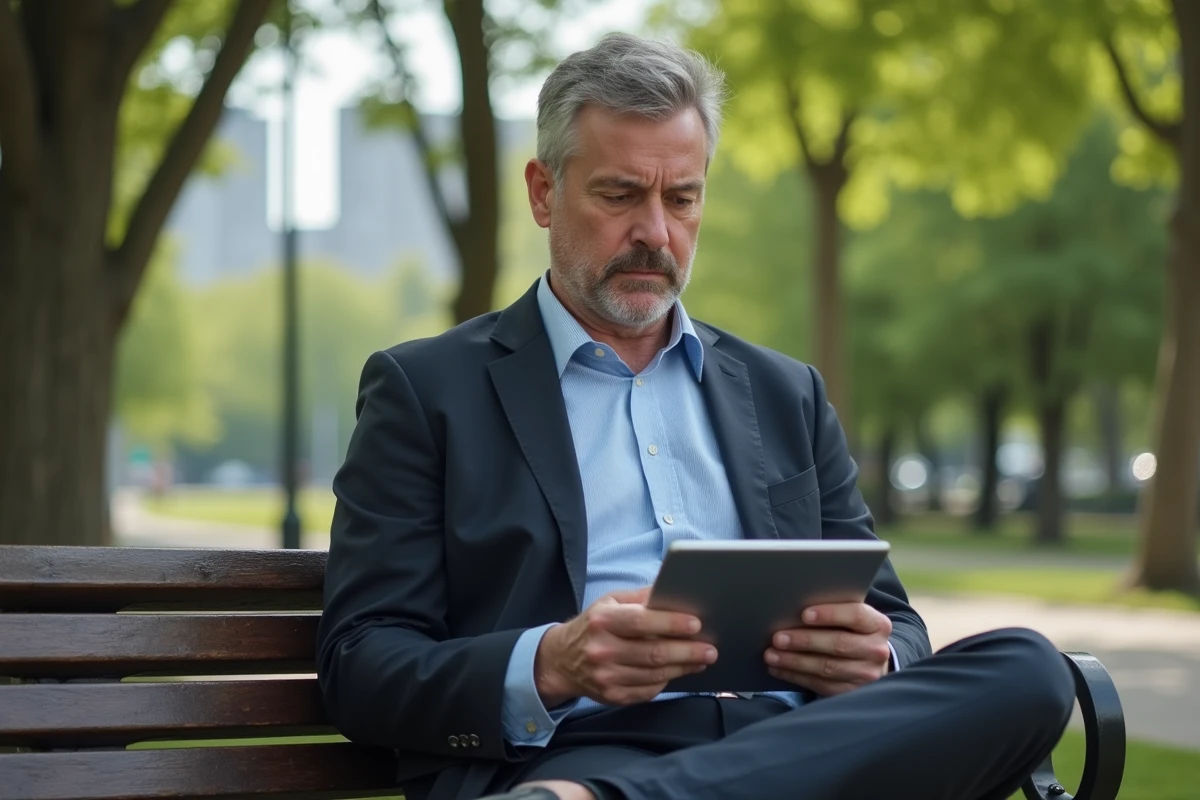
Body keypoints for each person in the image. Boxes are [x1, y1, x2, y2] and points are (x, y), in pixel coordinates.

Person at [316, 32, 1075, 800]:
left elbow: (889, 617)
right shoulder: (426, 390)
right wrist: (550, 663)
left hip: (799, 741)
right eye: (620, 195)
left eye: (682, 199)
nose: (656, 232)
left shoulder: (787, 394)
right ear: (544, 192)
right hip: (576, 748)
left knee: (1031, 667)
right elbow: (361, 665)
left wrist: (878, 659)